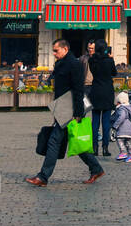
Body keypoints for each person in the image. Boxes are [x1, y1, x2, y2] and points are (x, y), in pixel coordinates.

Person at [26, 37, 105, 185]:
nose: (54, 53)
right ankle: (96, 168)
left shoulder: (74, 64)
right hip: (62, 107)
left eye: (56, 51)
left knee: (54, 141)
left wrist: (78, 113)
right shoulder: (60, 64)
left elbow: (78, 90)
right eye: (53, 51)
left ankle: (43, 177)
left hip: (71, 108)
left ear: (65, 49)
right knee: (75, 141)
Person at [87, 40, 118, 155]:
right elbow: (114, 73)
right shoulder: (109, 60)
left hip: (95, 91)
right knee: (106, 122)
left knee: (95, 122)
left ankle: (94, 147)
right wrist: (112, 58)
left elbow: (93, 72)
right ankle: (105, 148)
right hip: (107, 92)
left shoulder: (92, 60)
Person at [110, 91, 131, 162]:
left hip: (122, 128)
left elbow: (121, 117)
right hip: (129, 128)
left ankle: (123, 152)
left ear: (120, 102)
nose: (116, 103)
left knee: (119, 140)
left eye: (117, 102)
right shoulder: (128, 108)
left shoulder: (121, 109)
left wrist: (115, 125)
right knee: (127, 142)